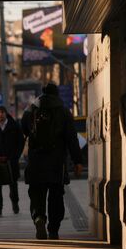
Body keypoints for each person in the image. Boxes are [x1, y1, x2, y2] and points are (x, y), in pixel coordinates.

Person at [21, 83, 83, 240]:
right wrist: (77, 161)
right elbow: (72, 138)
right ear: (57, 94)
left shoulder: (30, 110)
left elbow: (23, 130)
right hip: (56, 162)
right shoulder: (63, 111)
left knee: (37, 193)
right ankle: (53, 229)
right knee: (56, 196)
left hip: (36, 161)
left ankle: (38, 217)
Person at [0, 105, 25, 216]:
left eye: (2, 112)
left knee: (13, 184)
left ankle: (15, 204)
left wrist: (16, 155)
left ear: (6, 114)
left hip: (11, 160)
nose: (0, 114)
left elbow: (21, 141)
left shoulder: (14, 125)